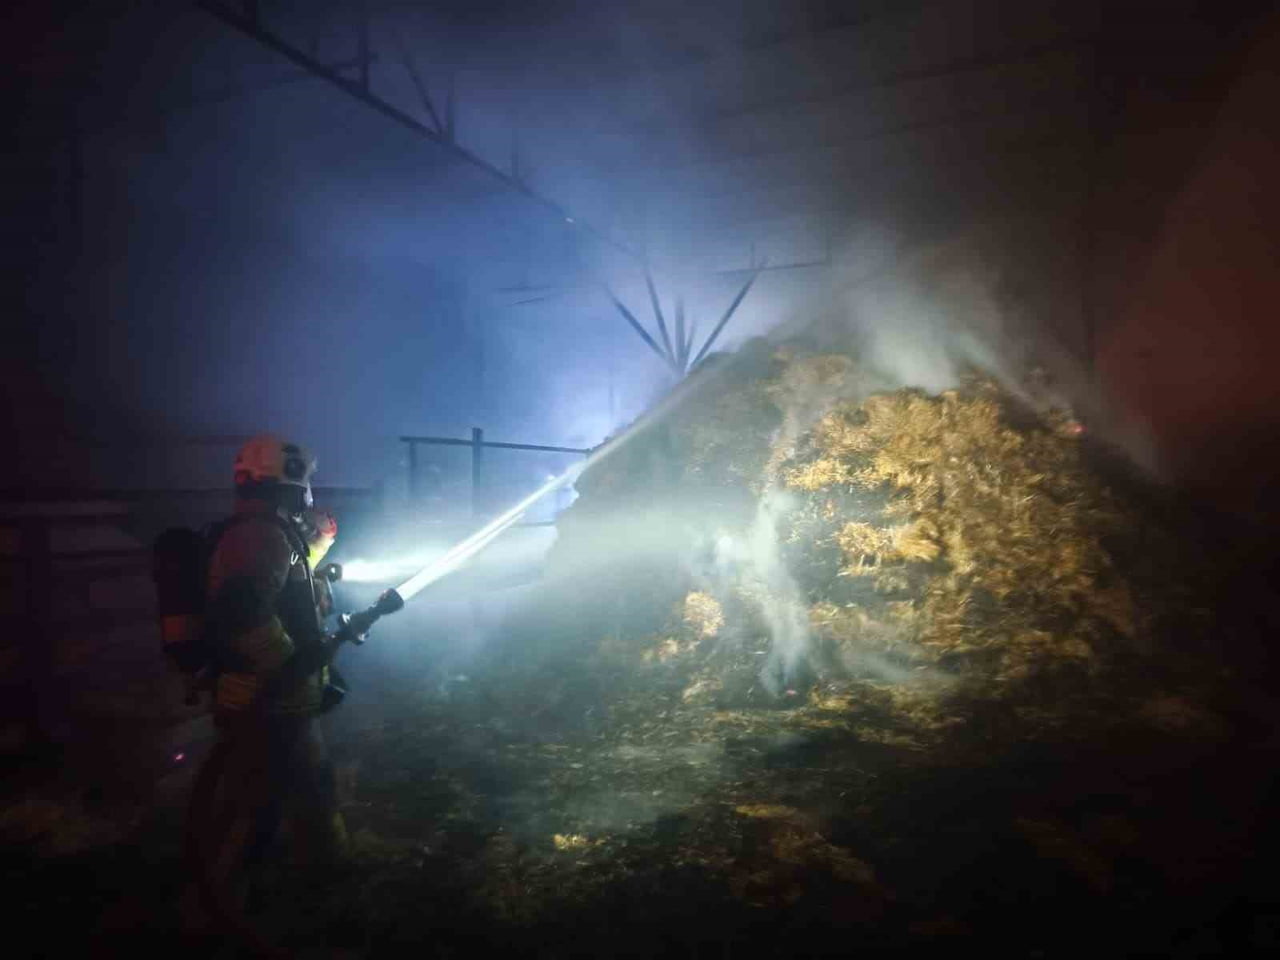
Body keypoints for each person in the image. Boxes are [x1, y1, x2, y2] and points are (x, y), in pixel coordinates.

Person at [184, 435, 352, 939]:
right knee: (256, 816)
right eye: (304, 481)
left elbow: (283, 597)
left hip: (280, 704)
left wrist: (317, 551)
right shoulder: (259, 535)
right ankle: (222, 923)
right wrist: (293, 666)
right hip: (265, 706)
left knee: (298, 801)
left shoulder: (267, 534)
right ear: (290, 480)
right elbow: (242, 612)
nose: (309, 492)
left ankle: (299, 906)